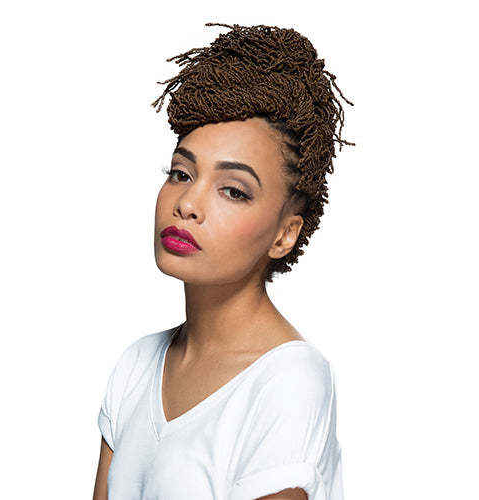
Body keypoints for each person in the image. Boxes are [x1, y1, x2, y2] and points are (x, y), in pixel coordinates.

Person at [93, 22, 353, 500]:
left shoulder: (288, 382)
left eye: (233, 190)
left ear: (285, 234)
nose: (188, 204)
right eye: (181, 172)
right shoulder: (136, 366)